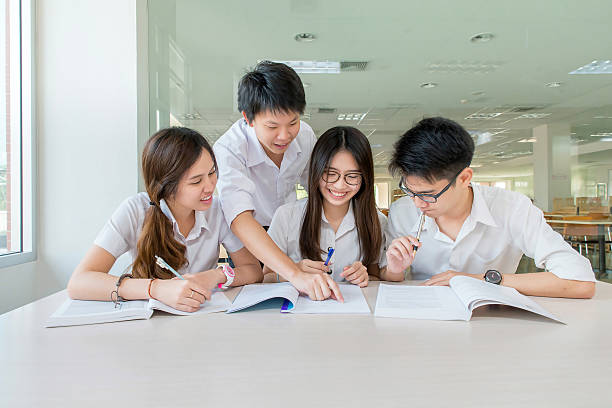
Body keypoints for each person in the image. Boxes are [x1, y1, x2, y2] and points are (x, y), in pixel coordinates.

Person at [384, 117, 595, 298]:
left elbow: (580, 281)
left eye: (429, 195)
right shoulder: (402, 211)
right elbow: (387, 276)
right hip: (425, 316)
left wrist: (478, 280)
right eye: (409, 191)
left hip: (493, 318)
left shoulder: (512, 208)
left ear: (464, 178)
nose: (418, 203)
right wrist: (394, 269)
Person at [67, 127, 262, 312]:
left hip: (202, 320)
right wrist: (156, 289)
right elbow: (79, 283)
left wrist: (214, 276)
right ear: (166, 186)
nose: (210, 186)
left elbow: (253, 270)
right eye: (196, 181)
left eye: (212, 173)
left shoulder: (218, 210)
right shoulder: (135, 210)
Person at [213, 61, 343, 301]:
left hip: (291, 228)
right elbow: (239, 218)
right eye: (272, 126)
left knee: (301, 297)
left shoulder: (305, 136)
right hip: (252, 232)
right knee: (254, 297)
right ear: (248, 118)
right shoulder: (229, 149)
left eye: (293, 122)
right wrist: (293, 273)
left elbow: (317, 188)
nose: (285, 136)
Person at [264, 126, 393, 287]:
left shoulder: (376, 221)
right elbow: (266, 278)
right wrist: (294, 271)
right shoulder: (287, 216)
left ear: (365, 177)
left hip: (350, 309)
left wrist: (364, 276)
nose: (340, 185)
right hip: (298, 310)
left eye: (352, 176)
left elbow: (374, 276)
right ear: (316, 171)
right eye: (330, 174)